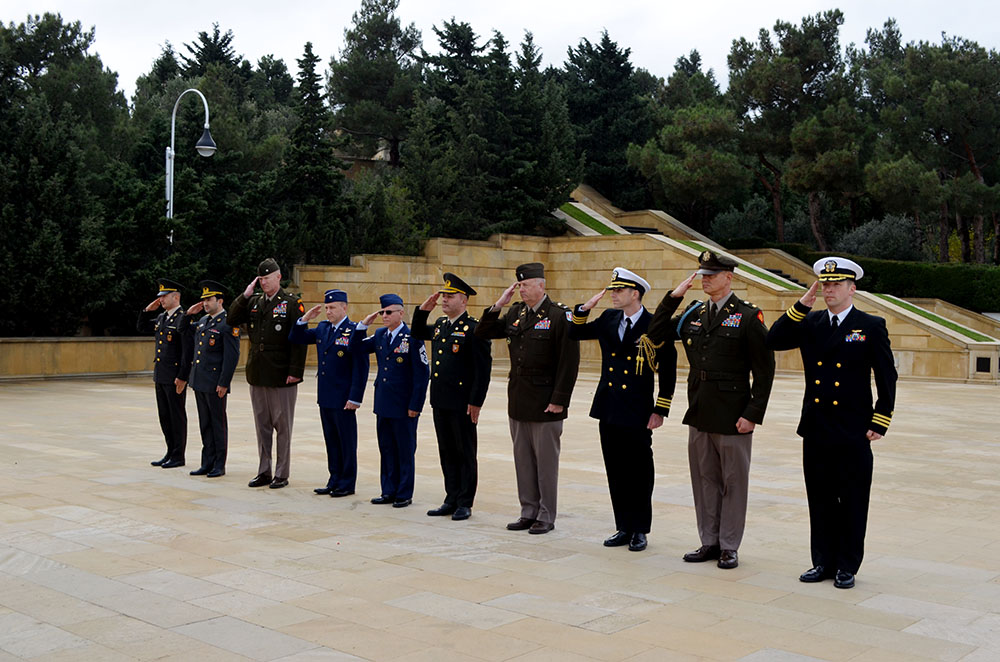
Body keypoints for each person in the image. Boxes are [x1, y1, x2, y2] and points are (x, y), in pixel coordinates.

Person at [767, 257, 897, 590]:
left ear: (852, 289)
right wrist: (802, 303)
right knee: (820, 497)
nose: (829, 289)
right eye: (825, 284)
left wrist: (881, 418)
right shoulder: (810, 323)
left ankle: (847, 565)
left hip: (853, 428)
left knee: (852, 498)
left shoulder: (870, 325)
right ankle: (822, 561)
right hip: (817, 426)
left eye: (836, 284)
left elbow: (886, 375)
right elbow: (774, 339)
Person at [646, 250, 775, 569]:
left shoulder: (747, 315)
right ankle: (710, 540)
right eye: (702, 275)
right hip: (700, 409)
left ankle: (729, 544)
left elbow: (764, 370)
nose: (705, 281)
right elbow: (654, 334)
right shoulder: (692, 313)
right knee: (705, 479)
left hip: (733, 413)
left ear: (729, 277)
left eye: (711, 275)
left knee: (733, 481)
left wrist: (753, 413)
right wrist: (672, 298)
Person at [569, 268, 676, 552]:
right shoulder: (608, 318)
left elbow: (668, 370)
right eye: (612, 290)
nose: (613, 294)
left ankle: (640, 528)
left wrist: (660, 409)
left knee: (639, 471)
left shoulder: (655, 325)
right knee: (615, 470)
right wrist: (582, 310)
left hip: (638, 409)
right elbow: (575, 332)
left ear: (635, 294)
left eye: (619, 290)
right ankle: (623, 526)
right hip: (609, 406)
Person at [475, 262, 580, 534]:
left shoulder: (559, 316)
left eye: (525, 285)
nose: (521, 289)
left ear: (541, 285)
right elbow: (482, 332)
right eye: (519, 285)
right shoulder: (515, 313)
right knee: (523, 461)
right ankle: (528, 511)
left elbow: (569, 362)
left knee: (546, 464)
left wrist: (560, 400)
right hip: (519, 400)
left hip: (546, 402)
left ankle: (546, 515)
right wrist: (498, 304)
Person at [411, 273, 492, 521]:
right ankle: (451, 497)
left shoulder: (474, 328)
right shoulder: (441, 325)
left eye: (450, 296)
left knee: (464, 451)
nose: (444, 300)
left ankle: (465, 501)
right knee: (446, 450)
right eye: (443, 295)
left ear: (464, 300)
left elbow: (483, 368)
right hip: (441, 399)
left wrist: (476, 401)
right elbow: (416, 332)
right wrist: (422, 311)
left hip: (462, 402)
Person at [227, 258, 306, 489]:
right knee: (262, 426)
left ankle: (281, 473)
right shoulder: (253, 302)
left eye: (267, 278)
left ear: (278, 277)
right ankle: (264, 470)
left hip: (281, 375)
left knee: (282, 425)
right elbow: (231, 319)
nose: (263, 282)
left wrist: (295, 372)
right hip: (258, 373)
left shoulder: (291, 303)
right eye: (260, 278)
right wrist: (244, 296)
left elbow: (299, 341)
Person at [350, 293, 429, 508]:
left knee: (404, 450)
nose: (384, 316)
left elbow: (422, 374)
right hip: (384, 402)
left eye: (388, 312)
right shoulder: (380, 334)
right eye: (382, 312)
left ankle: (403, 493)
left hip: (404, 405)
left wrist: (415, 405)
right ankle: (388, 490)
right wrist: (361, 327)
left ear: (401, 313)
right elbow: (355, 348)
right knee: (386, 449)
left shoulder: (412, 336)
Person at [289, 289, 369, 497]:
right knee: (331, 440)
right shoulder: (323, 328)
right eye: (326, 308)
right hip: (325, 395)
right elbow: (296, 337)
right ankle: (334, 479)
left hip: (344, 397)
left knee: (346, 441)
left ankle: (347, 483)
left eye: (332, 307)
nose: (328, 311)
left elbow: (361, 367)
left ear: (345, 307)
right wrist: (305, 319)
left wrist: (355, 397)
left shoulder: (354, 331)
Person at [182, 280, 240, 478]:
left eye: (209, 299)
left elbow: (231, 357)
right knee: (204, 423)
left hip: (215, 383)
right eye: (204, 300)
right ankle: (206, 462)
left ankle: (219, 464)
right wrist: (189, 314)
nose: (205, 303)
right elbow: (185, 332)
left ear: (220, 301)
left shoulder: (227, 323)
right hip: (200, 381)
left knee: (217, 423)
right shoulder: (204, 321)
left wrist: (224, 382)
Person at [137, 278, 191, 469]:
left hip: (175, 376)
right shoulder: (162, 318)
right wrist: (147, 311)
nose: (160, 299)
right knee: (165, 416)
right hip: (161, 374)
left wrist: (183, 376)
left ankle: (178, 455)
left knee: (176, 416)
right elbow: (142, 327)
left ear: (176, 297)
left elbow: (187, 351)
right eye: (160, 296)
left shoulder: (182, 319)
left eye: (164, 296)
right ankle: (170, 451)